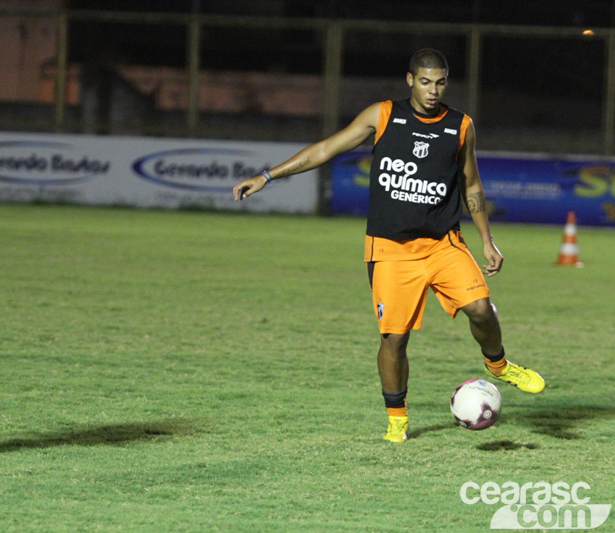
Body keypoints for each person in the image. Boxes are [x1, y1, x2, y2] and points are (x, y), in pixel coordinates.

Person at [233, 48, 544, 443]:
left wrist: (487, 238)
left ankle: (498, 366)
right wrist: (267, 176)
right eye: (426, 81)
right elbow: (325, 149)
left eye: (441, 82)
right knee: (394, 339)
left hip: (442, 244)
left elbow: (471, 184)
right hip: (390, 251)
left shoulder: (460, 126)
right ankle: (397, 420)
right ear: (410, 80)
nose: (433, 90)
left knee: (481, 309)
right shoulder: (382, 115)